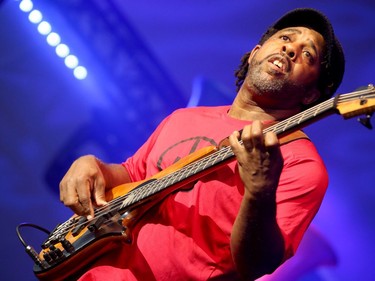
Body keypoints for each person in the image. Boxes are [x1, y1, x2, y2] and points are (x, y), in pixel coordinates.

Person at [59, 7, 345, 281]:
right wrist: (91, 165)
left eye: (308, 54)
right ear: (256, 53)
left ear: (310, 95)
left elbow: (256, 264)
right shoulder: (183, 118)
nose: (290, 49)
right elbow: (132, 176)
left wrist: (259, 191)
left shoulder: (301, 163)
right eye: (285, 37)